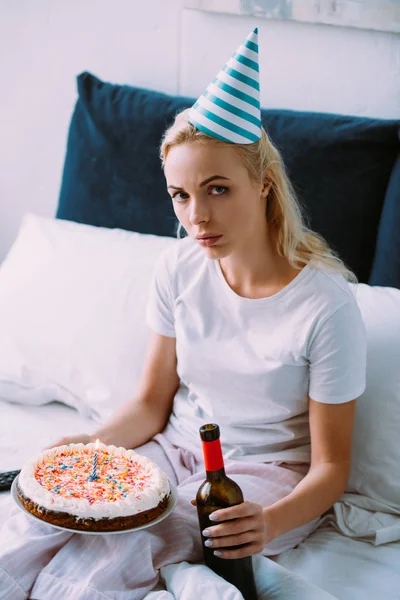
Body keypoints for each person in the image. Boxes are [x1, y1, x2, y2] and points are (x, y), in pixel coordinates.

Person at [0, 28, 366, 600]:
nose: (198, 216)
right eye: (181, 195)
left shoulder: (325, 307)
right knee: (45, 518)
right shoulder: (177, 269)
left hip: (264, 479)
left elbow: (330, 469)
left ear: (264, 185)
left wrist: (271, 522)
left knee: (129, 544)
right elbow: (151, 403)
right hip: (173, 450)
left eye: (217, 189)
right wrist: (91, 448)